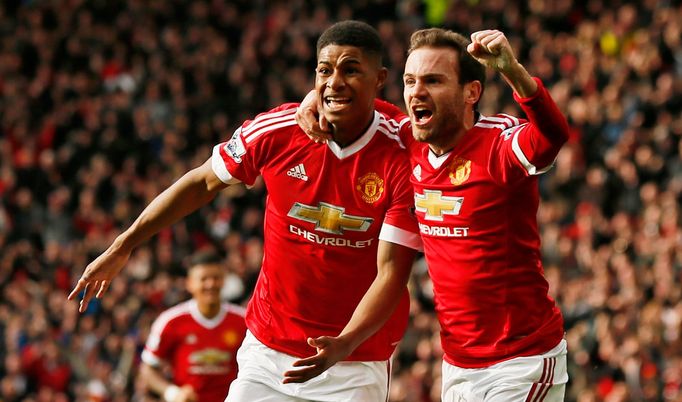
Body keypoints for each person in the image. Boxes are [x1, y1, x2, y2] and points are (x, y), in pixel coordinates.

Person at [69, 20, 421, 401]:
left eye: (351, 70)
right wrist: (125, 243)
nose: (334, 82)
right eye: (324, 70)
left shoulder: (403, 152)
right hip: (268, 352)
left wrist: (345, 343)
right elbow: (202, 182)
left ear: (381, 78)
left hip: (355, 362)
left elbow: (392, 272)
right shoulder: (279, 130)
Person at [297, 28, 571, 401]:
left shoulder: (499, 143)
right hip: (458, 365)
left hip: (522, 360)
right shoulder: (407, 138)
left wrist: (514, 72)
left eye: (433, 81)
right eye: (410, 81)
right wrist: (316, 97)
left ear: (470, 92)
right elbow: (356, 103)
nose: (416, 92)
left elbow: (550, 138)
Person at [139, 251, 247, 402]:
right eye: (204, 279)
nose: (211, 284)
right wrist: (172, 392)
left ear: (223, 281)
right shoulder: (171, 321)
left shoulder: (245, 321)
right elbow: (148, 368)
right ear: (189, 283)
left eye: (216, 278)